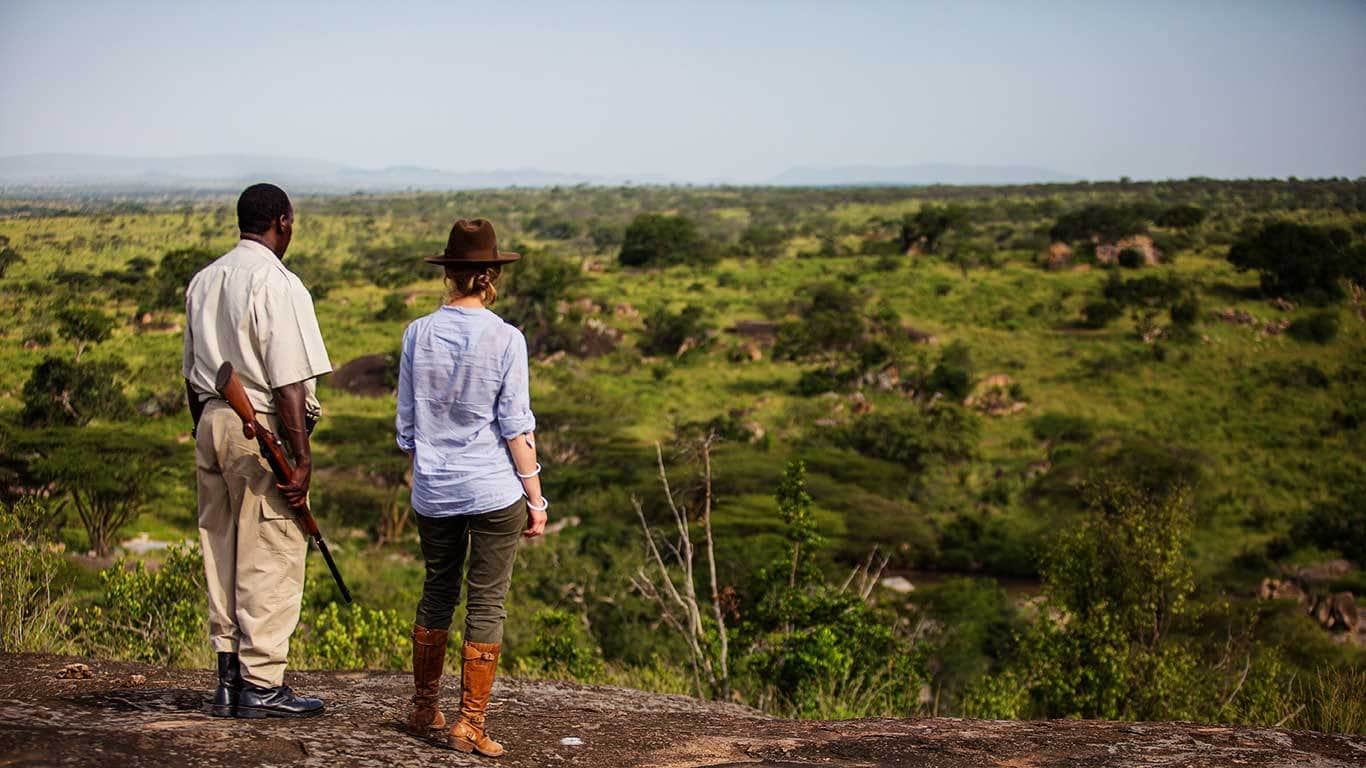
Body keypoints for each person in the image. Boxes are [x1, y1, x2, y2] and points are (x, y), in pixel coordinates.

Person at [396, 218, 548, 756]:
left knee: (437, 590)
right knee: (487, 602)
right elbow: (516, 429)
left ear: (450, 273)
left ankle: (423, 708)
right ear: (490, 276)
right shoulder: (507, 339)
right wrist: (536, 500)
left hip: (434, 490)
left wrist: (433, 468)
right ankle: (469, 723)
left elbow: (407, 428)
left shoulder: (417, 333)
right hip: (492, 491)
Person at [182, 183, 332, 718]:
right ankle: (262, 683)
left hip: (211, 422)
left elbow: (191, 375)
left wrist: (207, 433)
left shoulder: (204, 280)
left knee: (221, 546)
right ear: (282, 222)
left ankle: (228, 679)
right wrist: (301, 458)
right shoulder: (278, 283)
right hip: (260, 426)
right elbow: (289, 382)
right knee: (270, 549)